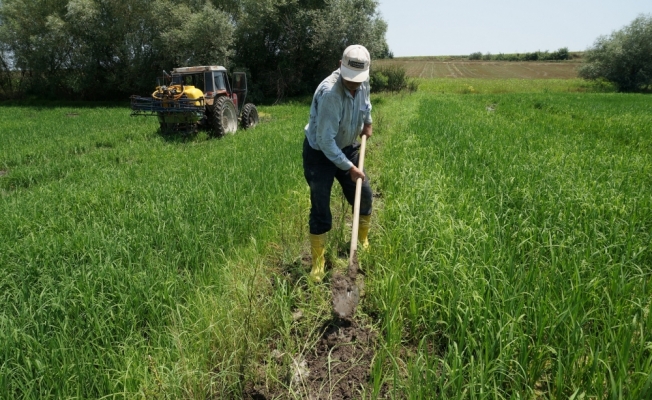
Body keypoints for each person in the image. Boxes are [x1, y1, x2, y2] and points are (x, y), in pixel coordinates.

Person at [303, 44, 374, 283]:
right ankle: (318, 261)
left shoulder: (363, 82)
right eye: (349, 79)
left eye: (358, 80)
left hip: (346, 145)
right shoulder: (330, 94)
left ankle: (361, 239)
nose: (354, 84)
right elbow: (325, 141)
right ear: (340, 65)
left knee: (363, 193)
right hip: (319, 152)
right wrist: (350, 168)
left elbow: (366, 104)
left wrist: (368, 121)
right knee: (320, 204)